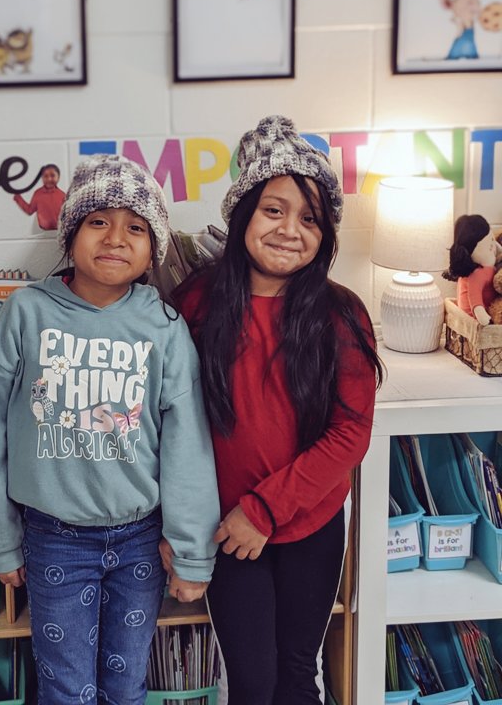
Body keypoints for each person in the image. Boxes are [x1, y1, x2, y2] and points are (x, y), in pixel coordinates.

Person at [0, 154, 219, 705]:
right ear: (71, 234)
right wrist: (0, 539)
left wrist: (191, 551)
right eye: (98, 222)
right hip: (54, 539)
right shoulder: (27, 313)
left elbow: (188, 448)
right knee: (65, 689)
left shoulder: (165, 327)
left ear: (153, 248)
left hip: (140, 542)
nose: (115, 238)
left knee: (126, 686)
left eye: (135, 227)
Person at [172, 115, 384, 705]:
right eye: (274, 210)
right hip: (228, 531)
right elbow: (159, 416)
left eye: (310, 218)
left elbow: (350, 434)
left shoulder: (341, 315)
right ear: (242, 215)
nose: (291, 230)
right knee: (253, 682)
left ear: (326, 235)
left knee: (296, 675)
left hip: (307, 526)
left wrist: (265, 509)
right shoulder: (196, 302)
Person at [442, 214, 500, 326]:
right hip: (474, 317)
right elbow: (474, 297)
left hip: (490, 310)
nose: (493, 247)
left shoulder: (487, 268)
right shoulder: (477, 274)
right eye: (490, 247)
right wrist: (481, 316)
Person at [12, 163, 66, 231]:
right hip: (43, 233)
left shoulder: (62, 195)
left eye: (52, 175)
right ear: (42, 178)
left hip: (59, 232)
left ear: (58, 177)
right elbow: (30, 210)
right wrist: (18, 198)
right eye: (45, 176)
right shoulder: (38, 194)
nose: (49, 179)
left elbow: (67, 214)